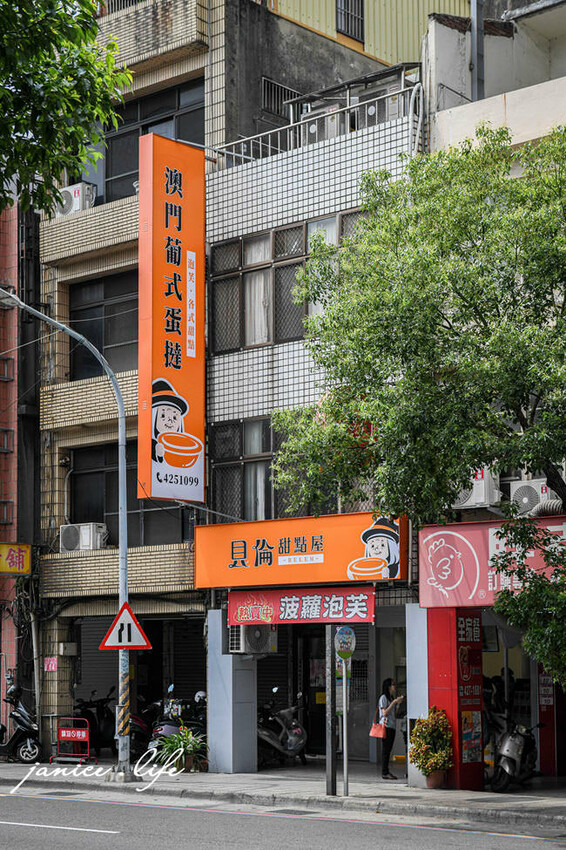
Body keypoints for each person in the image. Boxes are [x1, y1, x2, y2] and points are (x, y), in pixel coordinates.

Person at [378, 677, 404, 780]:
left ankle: (386, 771)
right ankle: (385, 772)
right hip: (386, 726)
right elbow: (384, 712)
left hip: (392, 726)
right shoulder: (383, 698)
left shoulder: (391, 697)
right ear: (388, 686)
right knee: (386, 750)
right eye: (393, 684)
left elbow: (394, 714)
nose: (395, 686)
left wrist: (397, 704)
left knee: (389, 750)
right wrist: (393, 703)